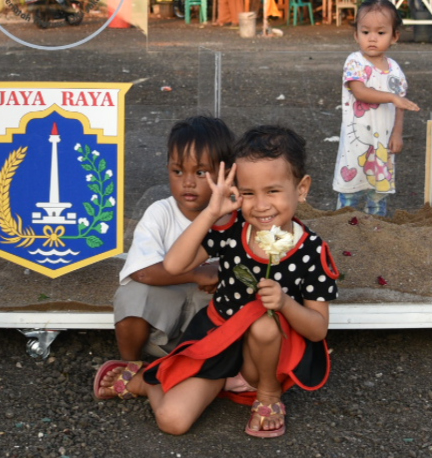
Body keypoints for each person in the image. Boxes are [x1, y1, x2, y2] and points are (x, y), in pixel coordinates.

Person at [94, 126, 339, 439]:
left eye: (273, 191)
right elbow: (174, 265)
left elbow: (318, 329)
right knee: (172, 421)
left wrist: (285, 303)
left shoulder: (312, 251)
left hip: (264, 356)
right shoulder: (233, 229)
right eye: (248, 193)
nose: (261, 205)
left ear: (301, 188)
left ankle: (267, 396)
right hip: (216, 340)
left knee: (264, 323)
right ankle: (146, 380)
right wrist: (211, 214)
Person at [112, 116, 234, 362]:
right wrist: (197, 273)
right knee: (132, 294)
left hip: (210, 323)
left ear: (226, 174)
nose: (187, 182)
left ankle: (219, 368)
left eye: (200, 172)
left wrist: (222, 271)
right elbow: (142, 272)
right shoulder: (160, 212)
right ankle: (131, 365)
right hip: (162, 319)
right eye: (178, 171)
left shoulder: (236, 217)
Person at [332, 0, 419, 215]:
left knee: (378, 194)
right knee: (350, 192)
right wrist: (392, 97)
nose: (372, 38)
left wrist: (397, 134)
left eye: (380, 33)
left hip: (383, 145)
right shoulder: (354, 62)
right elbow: (359, 91)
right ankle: (344, 233)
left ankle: (376, 235)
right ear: (356, 35)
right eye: (365, 32)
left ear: (394, 36)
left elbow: (401, 106)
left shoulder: (395, 70)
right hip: (357, 142)